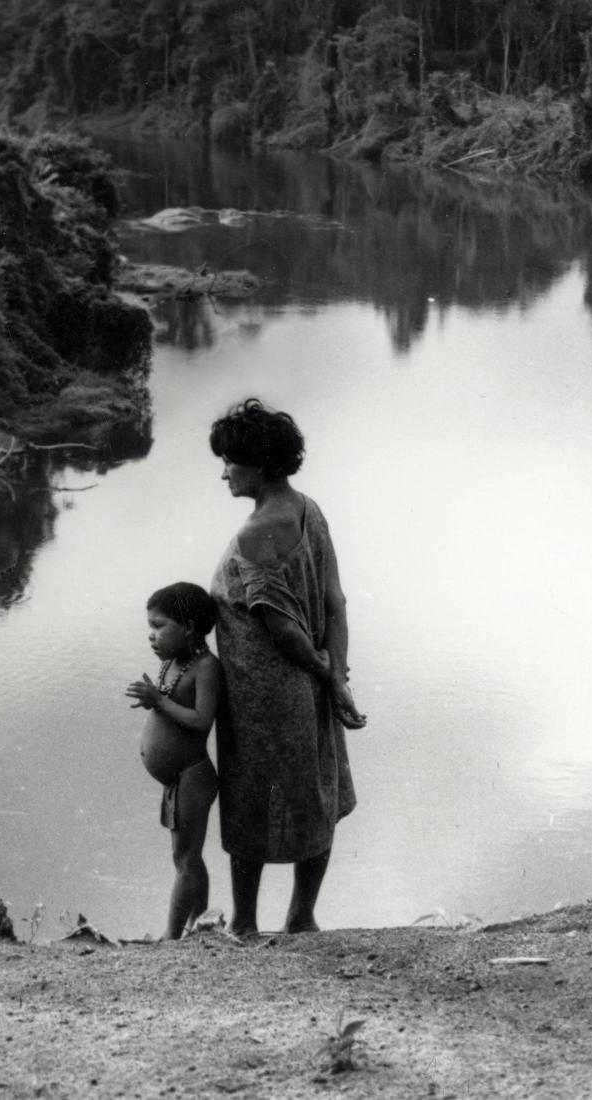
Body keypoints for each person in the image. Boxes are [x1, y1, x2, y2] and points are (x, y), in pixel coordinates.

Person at [207, 397, 365, 937]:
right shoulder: (308, 508)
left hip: (260, 697)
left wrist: (324, 673)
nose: (223, 471)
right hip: (310, 688)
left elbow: (285, 632)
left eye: (230, 460)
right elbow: (336, 602)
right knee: (313, 794)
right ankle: (301, 916)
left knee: (251, 801)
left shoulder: (256, 533)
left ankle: (244, 923)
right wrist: (336, 677)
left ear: (261, 463)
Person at [125, 582, 222, 940]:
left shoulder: (206, 667)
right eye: (149, 627)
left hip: (192, 777)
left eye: (158, 626)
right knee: (189, 858)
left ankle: (172, 936)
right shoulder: (172, 663)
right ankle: (202, 924)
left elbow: (201, 720)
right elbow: (170, 705)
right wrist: (155, 700)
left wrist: (159, 701)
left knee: (185, 860)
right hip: (176, 781)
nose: (151, 636)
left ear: (190, 628)